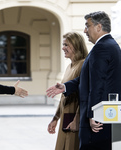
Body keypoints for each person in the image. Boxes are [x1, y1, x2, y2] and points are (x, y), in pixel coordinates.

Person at [46, 11, 121, 150]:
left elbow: (98, 84)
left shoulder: (102, 48)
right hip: (106, 115)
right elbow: (89, 78)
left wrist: (93, 114)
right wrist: (66, 87)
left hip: (100, 118)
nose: (85, 30)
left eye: (88, 26)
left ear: (99, 27)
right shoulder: (110, 45)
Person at [47, 32, 88, 150]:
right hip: (66, 118)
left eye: (66, 45)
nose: (63, 48)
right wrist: (55, 118)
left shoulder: (83, 65)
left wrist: (77, 119)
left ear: (76, 45)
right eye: (63, 44)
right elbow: (63, 97)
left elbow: (85, 95)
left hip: (75, 120)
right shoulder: (69, 67)